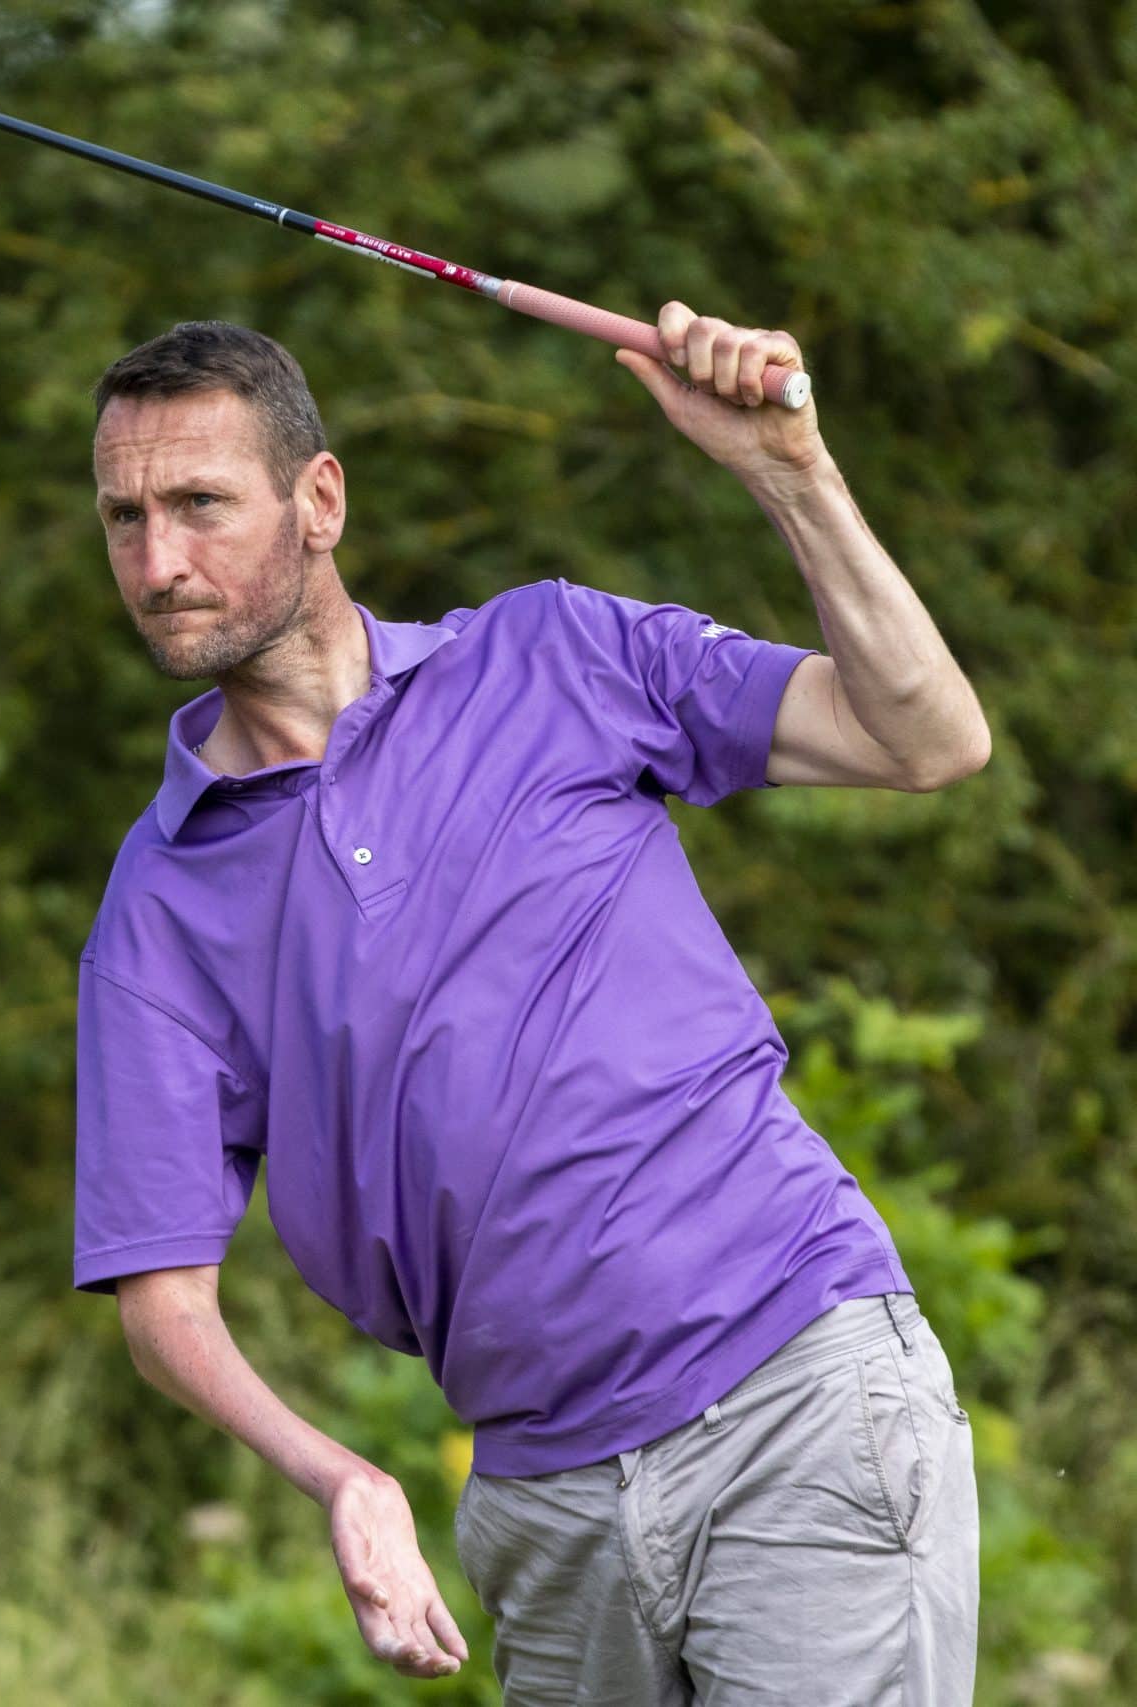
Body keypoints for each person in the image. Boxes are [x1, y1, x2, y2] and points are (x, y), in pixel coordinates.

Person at [73, 311, 989, 1704]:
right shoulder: (157, 902)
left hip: (796, 1395)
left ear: (320, 501)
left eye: (200, 505)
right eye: (125, 518)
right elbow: (163, 1302)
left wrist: (792, 473)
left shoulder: (555, 657)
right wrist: (343, 1477)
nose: (159, 562)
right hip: (544, 1505)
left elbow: (928, 740)